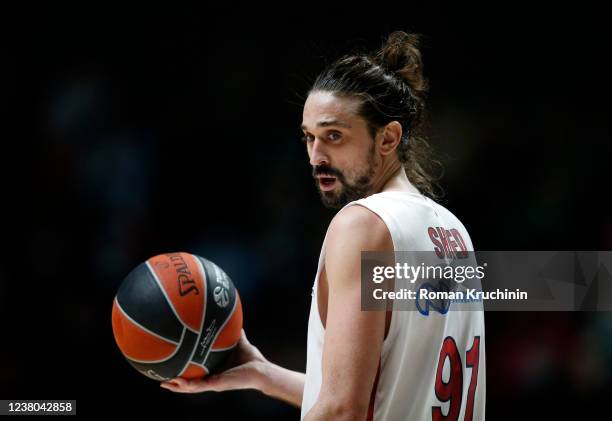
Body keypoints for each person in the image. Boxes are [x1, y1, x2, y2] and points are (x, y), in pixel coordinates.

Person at [161, 31, 486, 421]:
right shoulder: (453, 232)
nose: (316, 157)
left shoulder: (362, 225)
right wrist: (264, 375)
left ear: (388, 138)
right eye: (309, 138)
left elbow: (341, 409)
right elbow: (379, 395)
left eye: (334, 136)